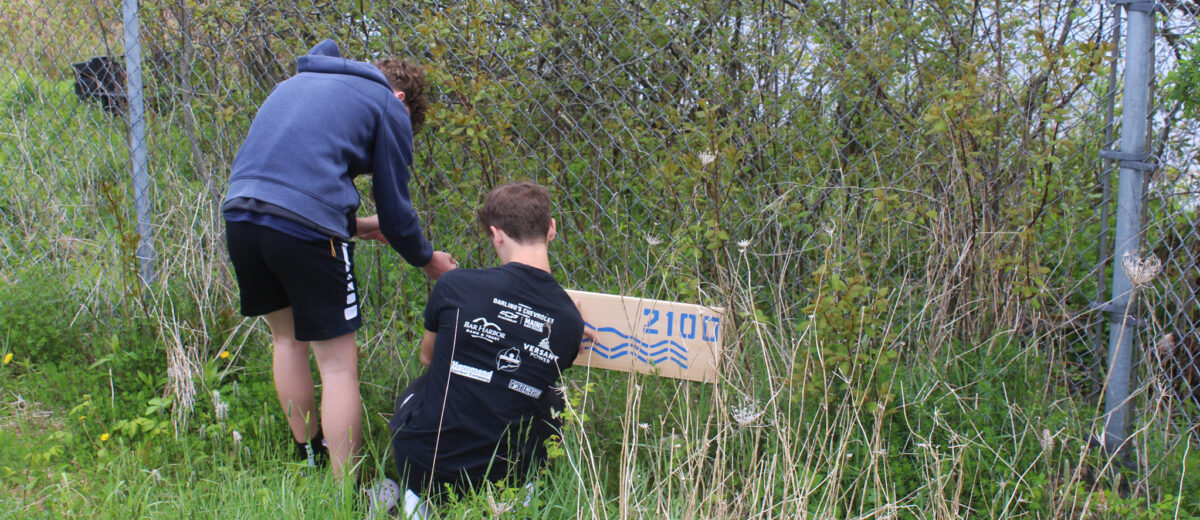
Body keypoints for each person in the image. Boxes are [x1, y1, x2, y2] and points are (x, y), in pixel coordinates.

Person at [222, 39, 456, 477]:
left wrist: (361, 226)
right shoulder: (387, 105)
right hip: (302, 229)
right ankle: (344, 487)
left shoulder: (299, 84)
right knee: (336, 366)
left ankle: (309, 459)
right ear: (401, 98)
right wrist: (429, 263)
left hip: (241, 217)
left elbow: (292, 185)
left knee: (287, 341)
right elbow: (397, 212)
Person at [384, 181, 586, 513]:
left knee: (427, 384)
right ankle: (517, 499)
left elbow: (428, 356)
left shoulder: (454, 285)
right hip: (504, 479)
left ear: (496, 234)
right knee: (552, 401)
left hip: (426, 467)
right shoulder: (569, 321)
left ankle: (410, 502)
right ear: (551, 229)